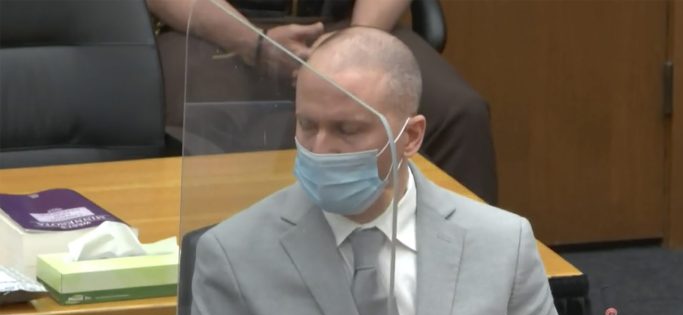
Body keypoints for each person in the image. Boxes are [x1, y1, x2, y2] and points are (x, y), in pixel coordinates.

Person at [187, 26, 589, 315]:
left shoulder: (501, 246)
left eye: (347, 130)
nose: (320, 149)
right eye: (307, 125)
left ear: (411, 137)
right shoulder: (235, 257)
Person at [146, 0, 499, 203]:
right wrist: (256, 44)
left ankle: (460, 271)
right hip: (214, 29)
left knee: (458, 114)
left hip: (354, 23)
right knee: (200, 122)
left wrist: (354, 40)